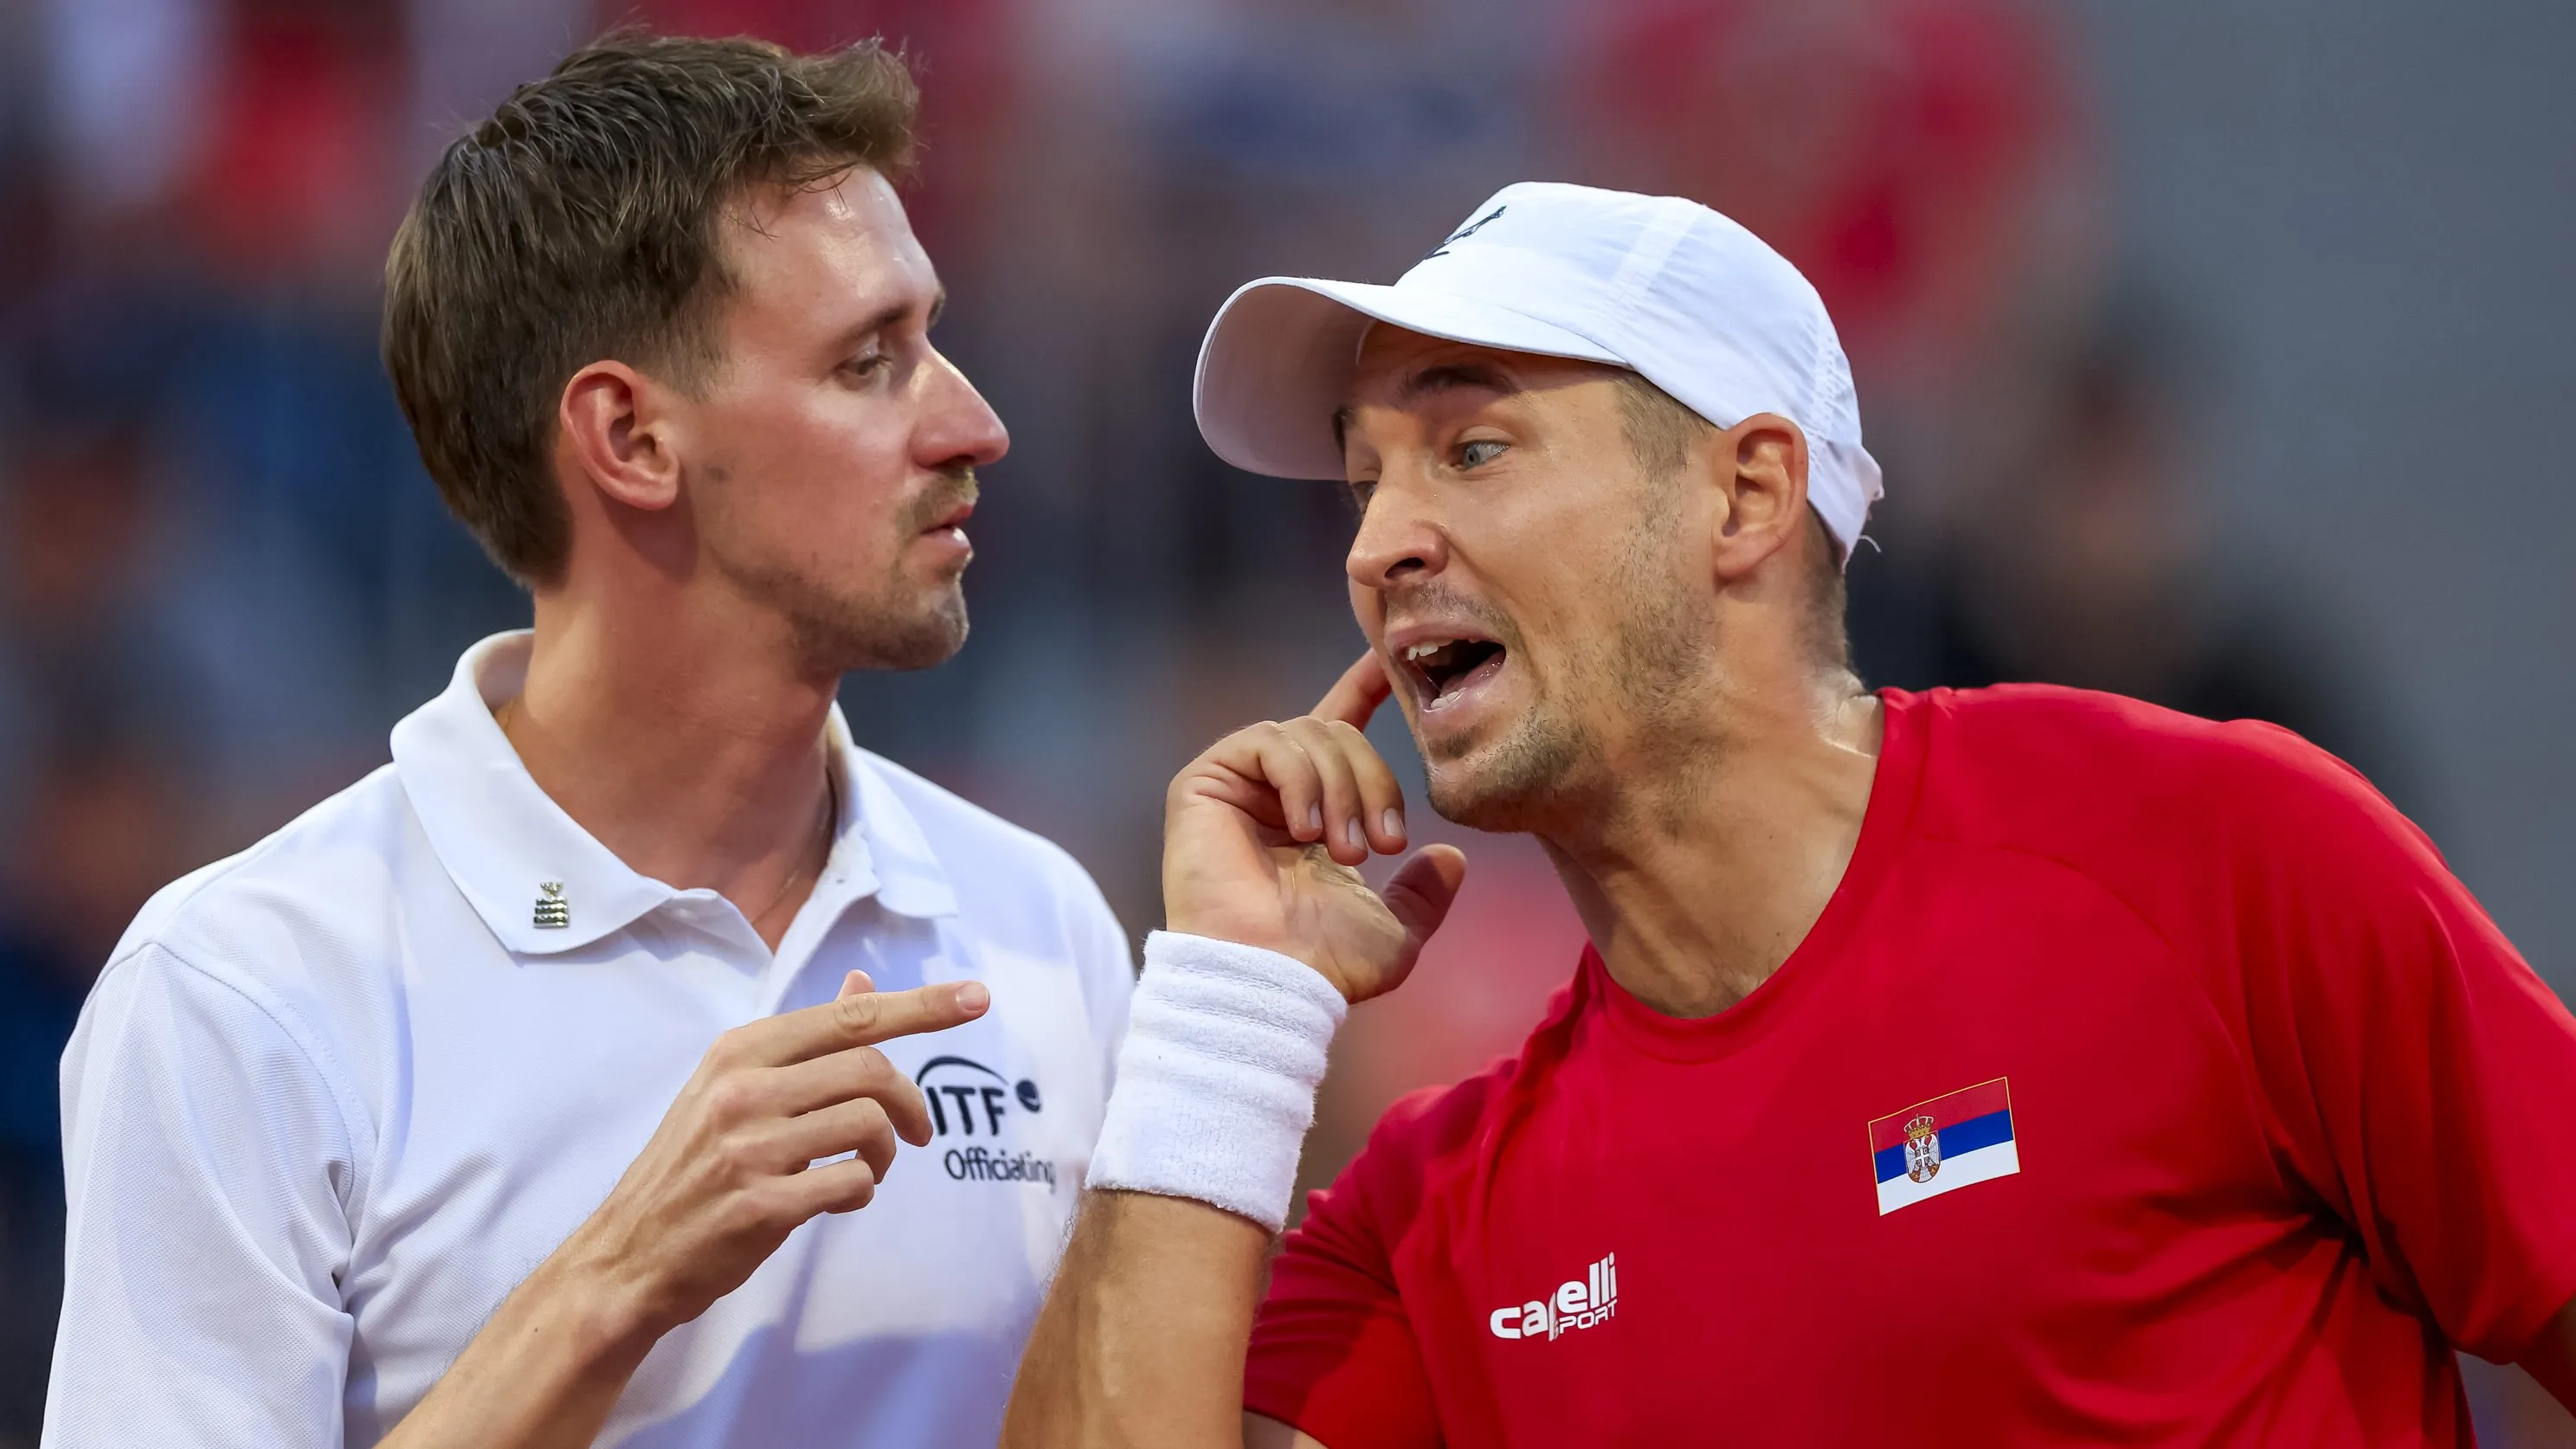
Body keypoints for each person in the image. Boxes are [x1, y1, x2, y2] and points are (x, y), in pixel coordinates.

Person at [1001, 182, 2576, 1446]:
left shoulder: (2210, 853)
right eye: (1364, 483)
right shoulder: (1434, 1227)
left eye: (1471, 448)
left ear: (1746, 497)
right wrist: (1227, 1000)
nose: (1380, 545)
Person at [46, 34, 1134, 1449]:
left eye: (934, 339)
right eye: (872, 362)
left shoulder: (1040, 917)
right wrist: (614, 1279)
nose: (974, 424)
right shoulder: (245, 986)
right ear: (629, 436)